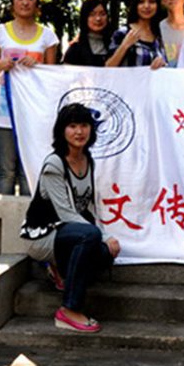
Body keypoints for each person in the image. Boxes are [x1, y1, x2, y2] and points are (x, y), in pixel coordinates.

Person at [20, 103, 120, 333]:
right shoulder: (54, 164)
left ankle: (59, 268)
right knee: (91, 236)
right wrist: (104, 235)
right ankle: (68, 310)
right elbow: (66, 212)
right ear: (62, 130)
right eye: (72, 126)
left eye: (84, 125)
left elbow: (87, 207)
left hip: (67, 234)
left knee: (105, 254)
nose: (79, 132)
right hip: (42, 235)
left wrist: (105, 238)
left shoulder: (87, 159)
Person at [0, 0, 58, 195]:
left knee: (29, 169)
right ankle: (3, 216)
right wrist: (0, 64)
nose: (25, 3)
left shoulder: (48, 36)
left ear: (37, 3)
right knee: (6, 171)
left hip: (34, 113)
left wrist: (38, 66)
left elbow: (53, 78)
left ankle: (29, 216)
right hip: (3, 112)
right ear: (12, 3)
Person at [106, 0, 167, 69]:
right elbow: (108, 67)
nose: (146, 6)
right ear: (135, 5)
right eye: (141, 2)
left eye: (151, 2)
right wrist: (125, 46)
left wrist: (162, 64)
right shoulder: (123, 33)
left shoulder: (159, 36)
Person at [63, 0, 112, 67]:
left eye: (102, 14)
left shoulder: (114, 44)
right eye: (92, 14)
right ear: (85, 18)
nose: (98, 18)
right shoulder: (75, 48)